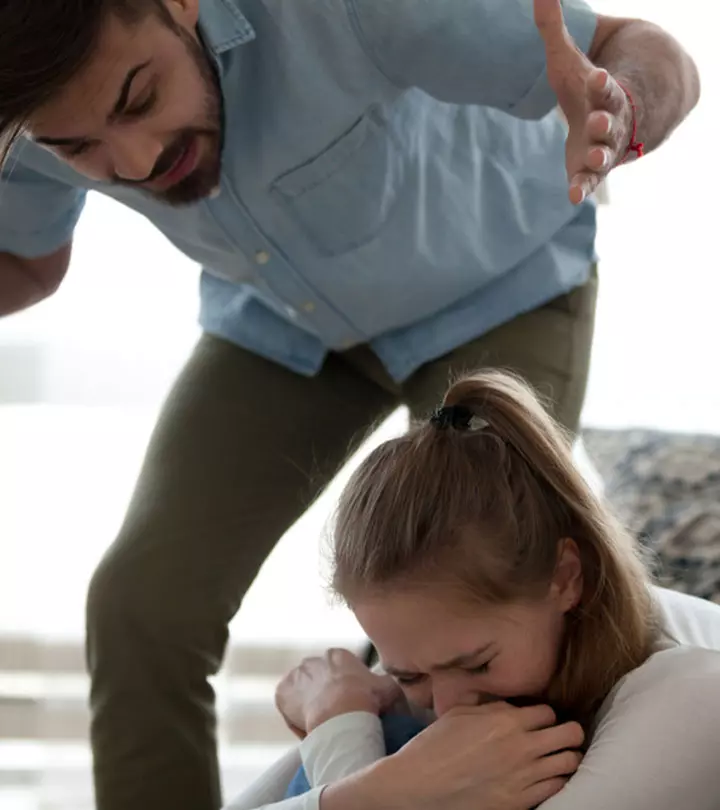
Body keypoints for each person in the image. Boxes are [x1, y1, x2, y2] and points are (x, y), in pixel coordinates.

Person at [0, 1, 700, 808]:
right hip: (282, 327)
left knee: (448, 619)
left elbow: (638, 48)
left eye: (140, 98)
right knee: (138, 608)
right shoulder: (19, 114)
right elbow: (29, 261)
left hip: (500, 288)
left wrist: (624, 109)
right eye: (75, 148)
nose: (135, 158)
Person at [228, 370, 720, 810]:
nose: (446, 709)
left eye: (477, 664)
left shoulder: (692, 695)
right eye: (408, 676)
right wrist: (366, 758)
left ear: (566, 578)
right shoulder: (440, 646)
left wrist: (344, 737)